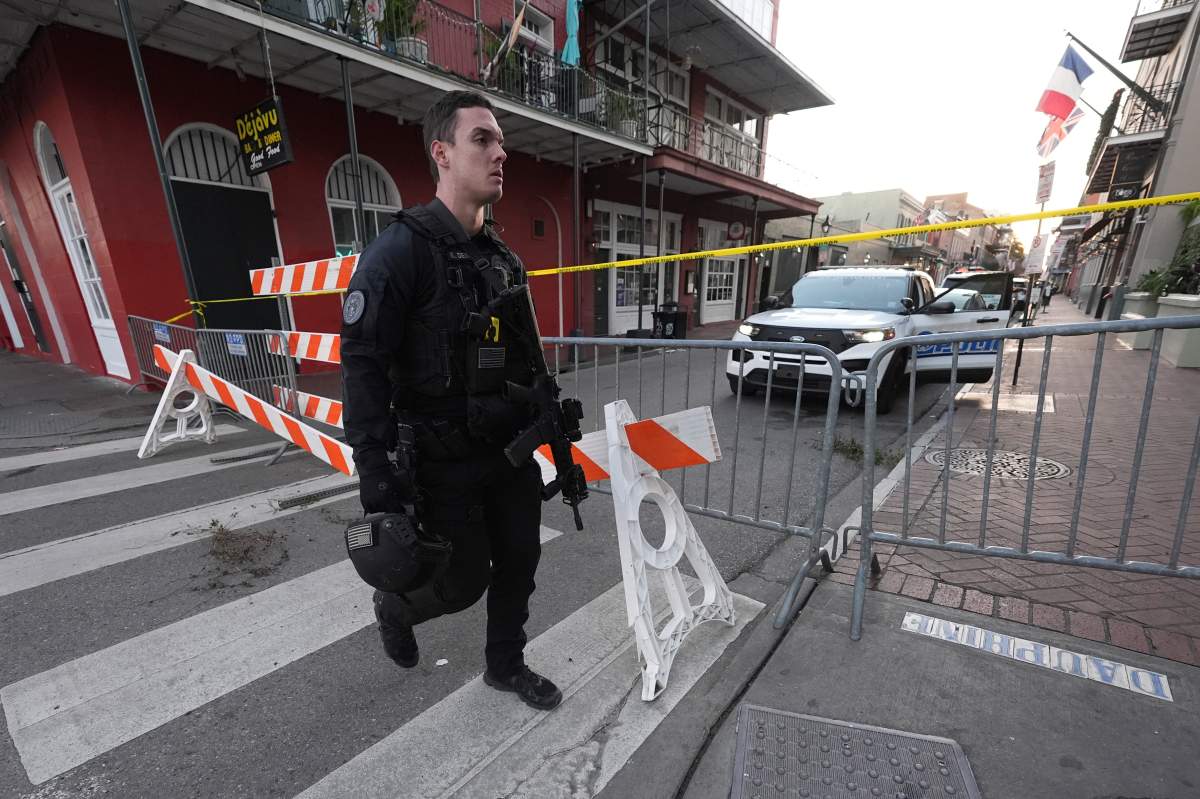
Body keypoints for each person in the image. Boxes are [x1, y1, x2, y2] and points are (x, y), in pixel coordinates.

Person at [340, 90, 561, 710]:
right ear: (442, 153)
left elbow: (526, 357)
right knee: (461, 582)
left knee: (519, 559)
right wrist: (375, 475)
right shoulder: (399, 251)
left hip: (507, 449)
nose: (500, 153)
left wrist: (547, 411)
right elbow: (362, 364)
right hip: (440, 456)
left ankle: (505, 666)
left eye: (500, 141)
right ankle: (395, 606)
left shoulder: (501, 259)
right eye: (482, 140)